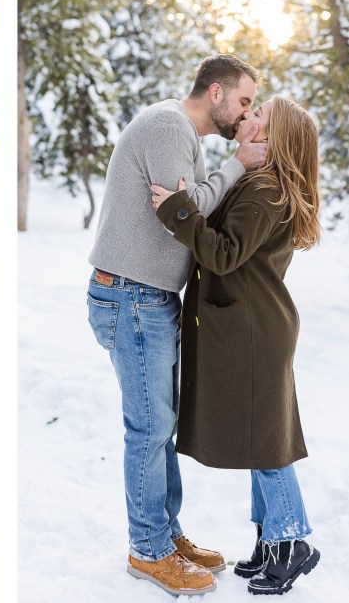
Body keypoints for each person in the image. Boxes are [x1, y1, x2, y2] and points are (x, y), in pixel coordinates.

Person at [85, 53, 268, 596]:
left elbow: (188, 209)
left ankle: (166, 533)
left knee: (158, 426)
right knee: (148, 430)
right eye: (243, 100)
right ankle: (148, 550)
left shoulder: (179, 129)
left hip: (146, 298)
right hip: (131, 298)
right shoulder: (168, 125)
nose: (246, 111)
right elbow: (183, 215)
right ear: (215, 93)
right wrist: (237, 164)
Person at [151, 96, 324, 596]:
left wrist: (176, 210)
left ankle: (291, 544)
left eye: (258, 117)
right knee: (258, 440)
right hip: (253, 325)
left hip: (255, 331)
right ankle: (269, 542)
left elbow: (223, 255)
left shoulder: (266, 191)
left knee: (266, 446)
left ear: (274, 141)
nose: (246, 119)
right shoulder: (260, 184)